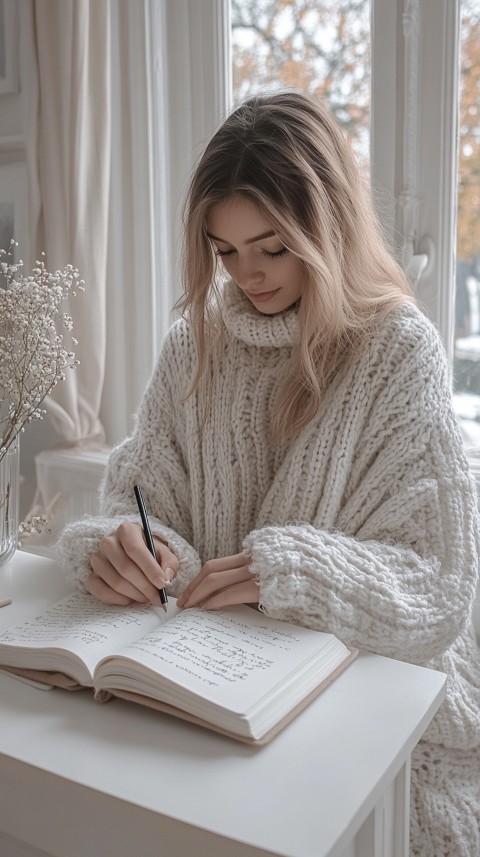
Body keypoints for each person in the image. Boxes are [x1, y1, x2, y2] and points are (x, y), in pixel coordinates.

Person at [57, 91, 480, 856]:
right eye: (224, 251)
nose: (247, 273)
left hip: (357, 716)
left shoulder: (397, 351)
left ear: (328, 224)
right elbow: (143, 490)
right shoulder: (194, 344)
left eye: (273, 246)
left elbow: (438, 585)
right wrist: (119, 543)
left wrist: (289, 571)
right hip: (210, 698)